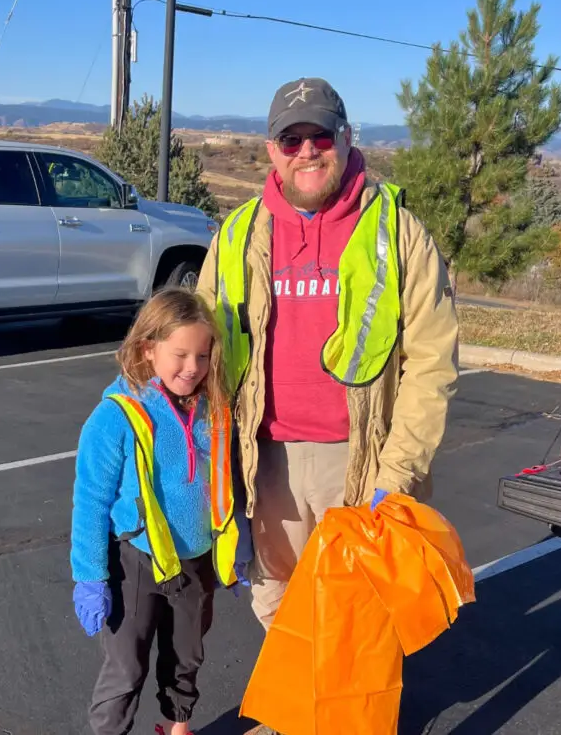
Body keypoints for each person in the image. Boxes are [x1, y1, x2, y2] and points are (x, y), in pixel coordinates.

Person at [196, 76, 460, 641]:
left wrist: (398, 472)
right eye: (291, 140)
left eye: (320, 134)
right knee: (277, 604)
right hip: (267, 461)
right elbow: (197, 347)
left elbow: (432, 364)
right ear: (272, 150)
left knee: (360, 611)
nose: (306, 151)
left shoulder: (399, 233)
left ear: (345, 137)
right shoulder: (239, 235)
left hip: (362, 460)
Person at [70, 288, 253, 735]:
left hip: (195, 562)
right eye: (181, 354)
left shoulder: (215, 410)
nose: (193, 368)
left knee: (187, 656)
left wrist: (239, 542)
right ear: (147, 348)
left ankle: (177, 728)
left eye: (204, 355)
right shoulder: (116, 416)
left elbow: (226, 484)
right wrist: (90, 576)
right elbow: (91, 501)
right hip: (136, 563)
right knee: (126, 668)